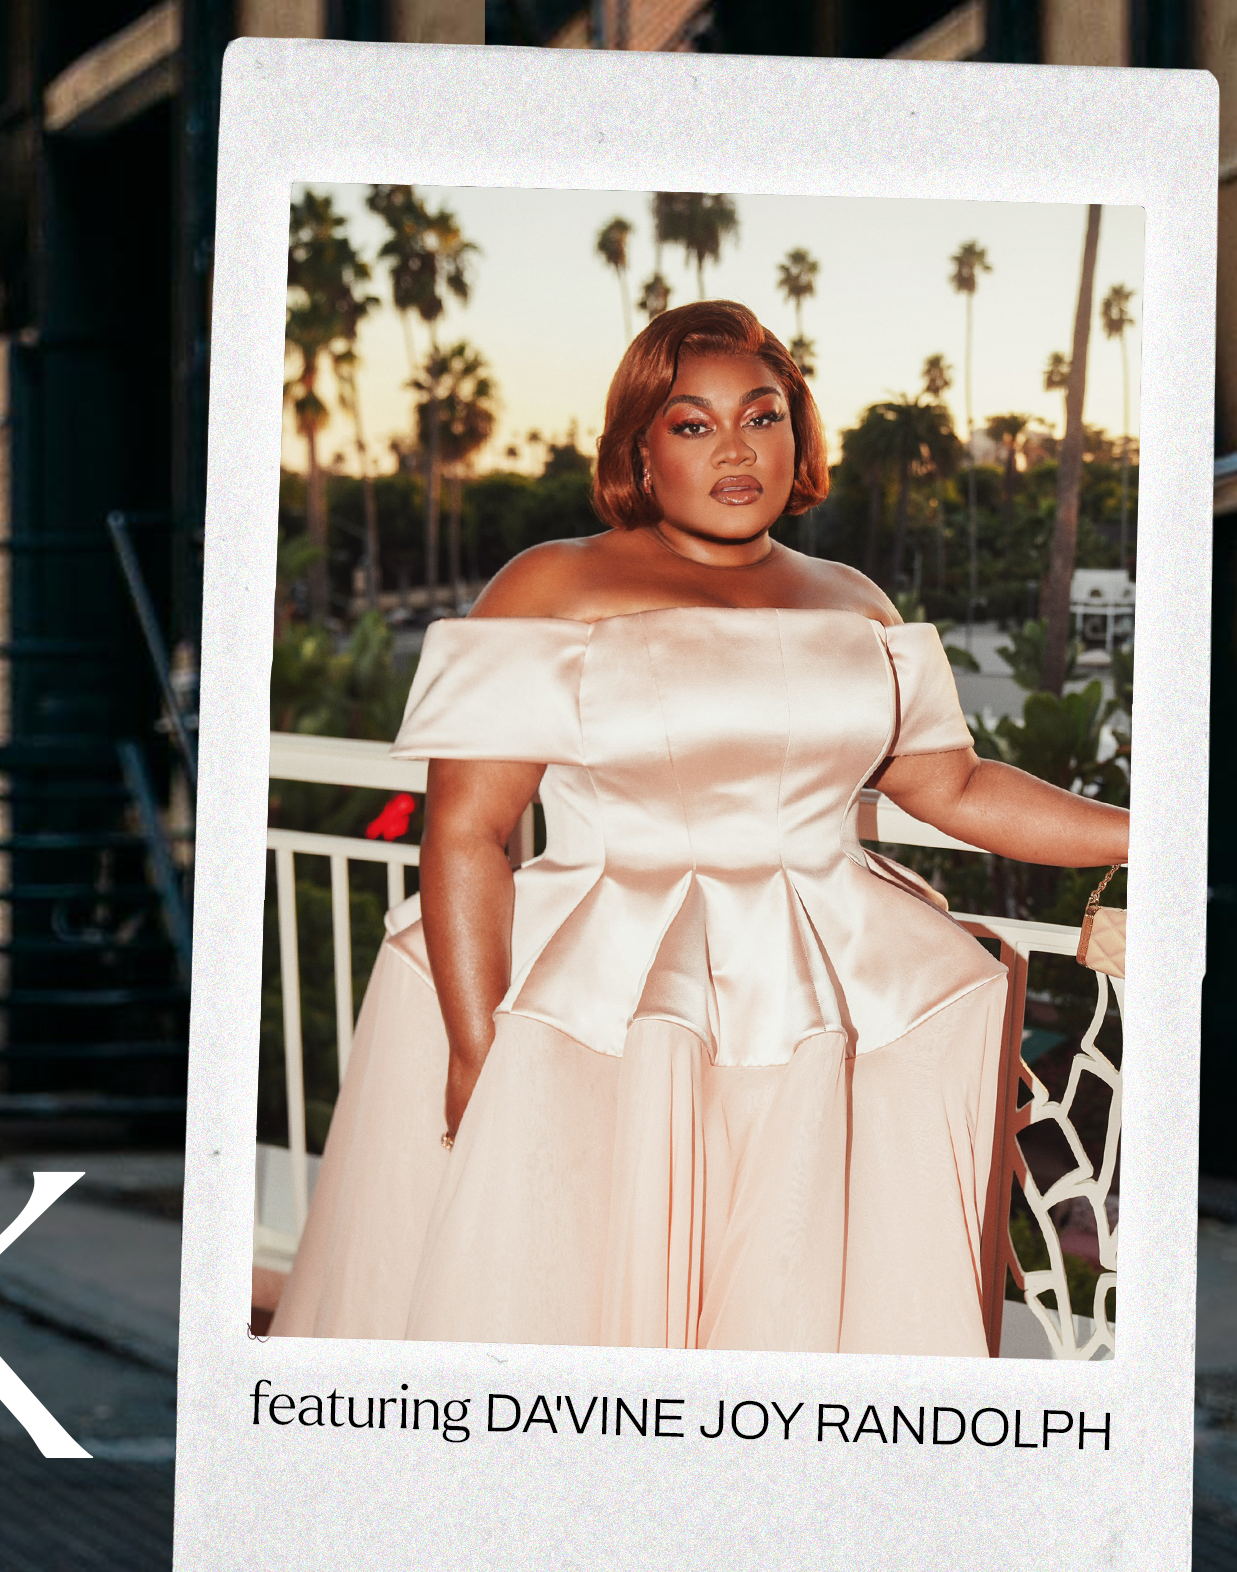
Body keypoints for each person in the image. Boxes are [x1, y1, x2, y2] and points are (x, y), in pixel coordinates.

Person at [271, 301, 1130, 1357]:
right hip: (603, 1008)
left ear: (797, 437)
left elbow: (950, 787)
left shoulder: (857, 600)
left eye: (763, 417)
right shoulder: (549, 582)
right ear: (640, 446)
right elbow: (467, 831)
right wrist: (473, 1047)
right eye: (693, 423)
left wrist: (1148, 831)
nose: (736, 447)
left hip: (819, 1002)